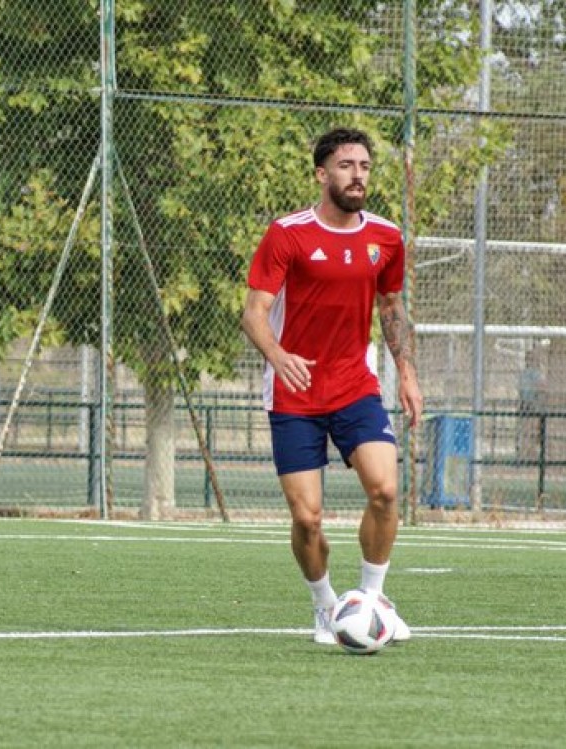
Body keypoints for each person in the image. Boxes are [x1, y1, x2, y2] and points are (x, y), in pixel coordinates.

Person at [241, 127, 423, 646]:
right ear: (322, 174)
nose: (358, 174)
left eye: (364, 165)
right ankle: (325, 606)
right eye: (346, 165)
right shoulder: (287, 234)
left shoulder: (385, 238)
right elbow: (253, 313)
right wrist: (277, 356)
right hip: (293, 393)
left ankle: (371, 598)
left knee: (386, 491)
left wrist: (406, 372)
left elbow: (391, 307)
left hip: (354, 385)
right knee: (307, 518)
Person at [516, 348, 546, 460]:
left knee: (526, 430)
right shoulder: (535, 374)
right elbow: (541, 387)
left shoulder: (523, 374)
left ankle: (525, 452)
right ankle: (528, 453)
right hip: (531, 404)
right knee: (531, 430)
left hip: (525, 404)